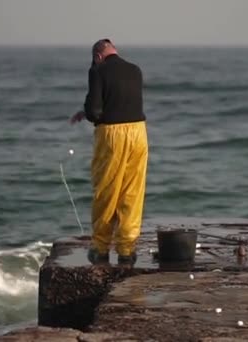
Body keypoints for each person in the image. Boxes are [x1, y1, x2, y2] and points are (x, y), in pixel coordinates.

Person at [70, 39, 148, 265]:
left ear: (98, 56)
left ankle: (100, 248)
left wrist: (87, 112)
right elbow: (119, 101)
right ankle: (127, 250)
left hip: (112, 135)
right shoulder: (135, 70)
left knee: (106, 190)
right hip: (139, 133)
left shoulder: (98, 70)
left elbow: (96, 111)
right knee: (132, 192)